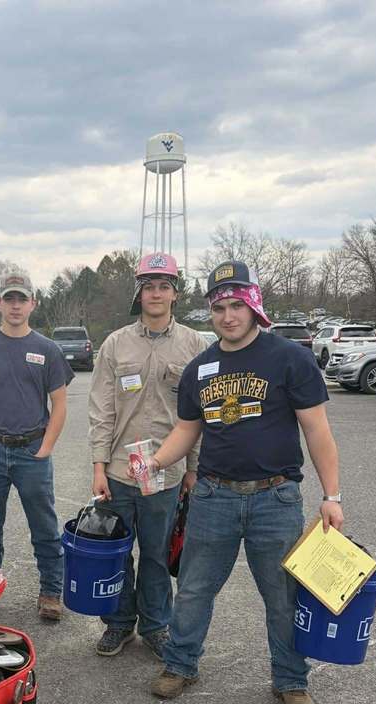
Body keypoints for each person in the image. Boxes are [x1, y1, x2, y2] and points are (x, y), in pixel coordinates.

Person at [145, 261, 343, 704]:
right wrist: (155, 462)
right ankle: (180, 664)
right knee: (194, 588)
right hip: (214, 496)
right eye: (219, 307)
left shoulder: (289, 357)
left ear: (254, 305)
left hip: (275, 497)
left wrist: (332, 497)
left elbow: (317, 431)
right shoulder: (200, 368)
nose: (228, 316)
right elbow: (186, 430)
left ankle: (291, 679)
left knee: (281, 595)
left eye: (237, 305)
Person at [88, 252, 208, 659]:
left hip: (167, 474)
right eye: (148, 286)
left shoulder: (194, 344)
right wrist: (99, 467)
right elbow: (102, 409)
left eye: (164, 286)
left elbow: (199, 414)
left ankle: (156, 625)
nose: (156, 294)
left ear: (175, 293)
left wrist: (193, 469)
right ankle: (120, 624)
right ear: (138, 294)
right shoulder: (115, 344)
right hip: (121, 471)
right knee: (118, 551)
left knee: (157, 555)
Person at [0, 270, 73, 620]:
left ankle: (51, 592)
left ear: (32, 304)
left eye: (21, 299)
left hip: (32, 451)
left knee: (43, 526)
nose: (15, 305)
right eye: (9, 298)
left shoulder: (47, 350)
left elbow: (60, 404)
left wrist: (46, 448)